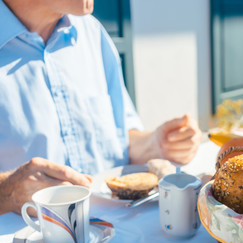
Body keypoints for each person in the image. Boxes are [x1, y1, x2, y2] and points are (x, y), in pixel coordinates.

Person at [0, 0, 202, 214]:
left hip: (119, 235)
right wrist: (8, 191)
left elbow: (120, 140)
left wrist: (157, 144)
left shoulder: (92, 32)